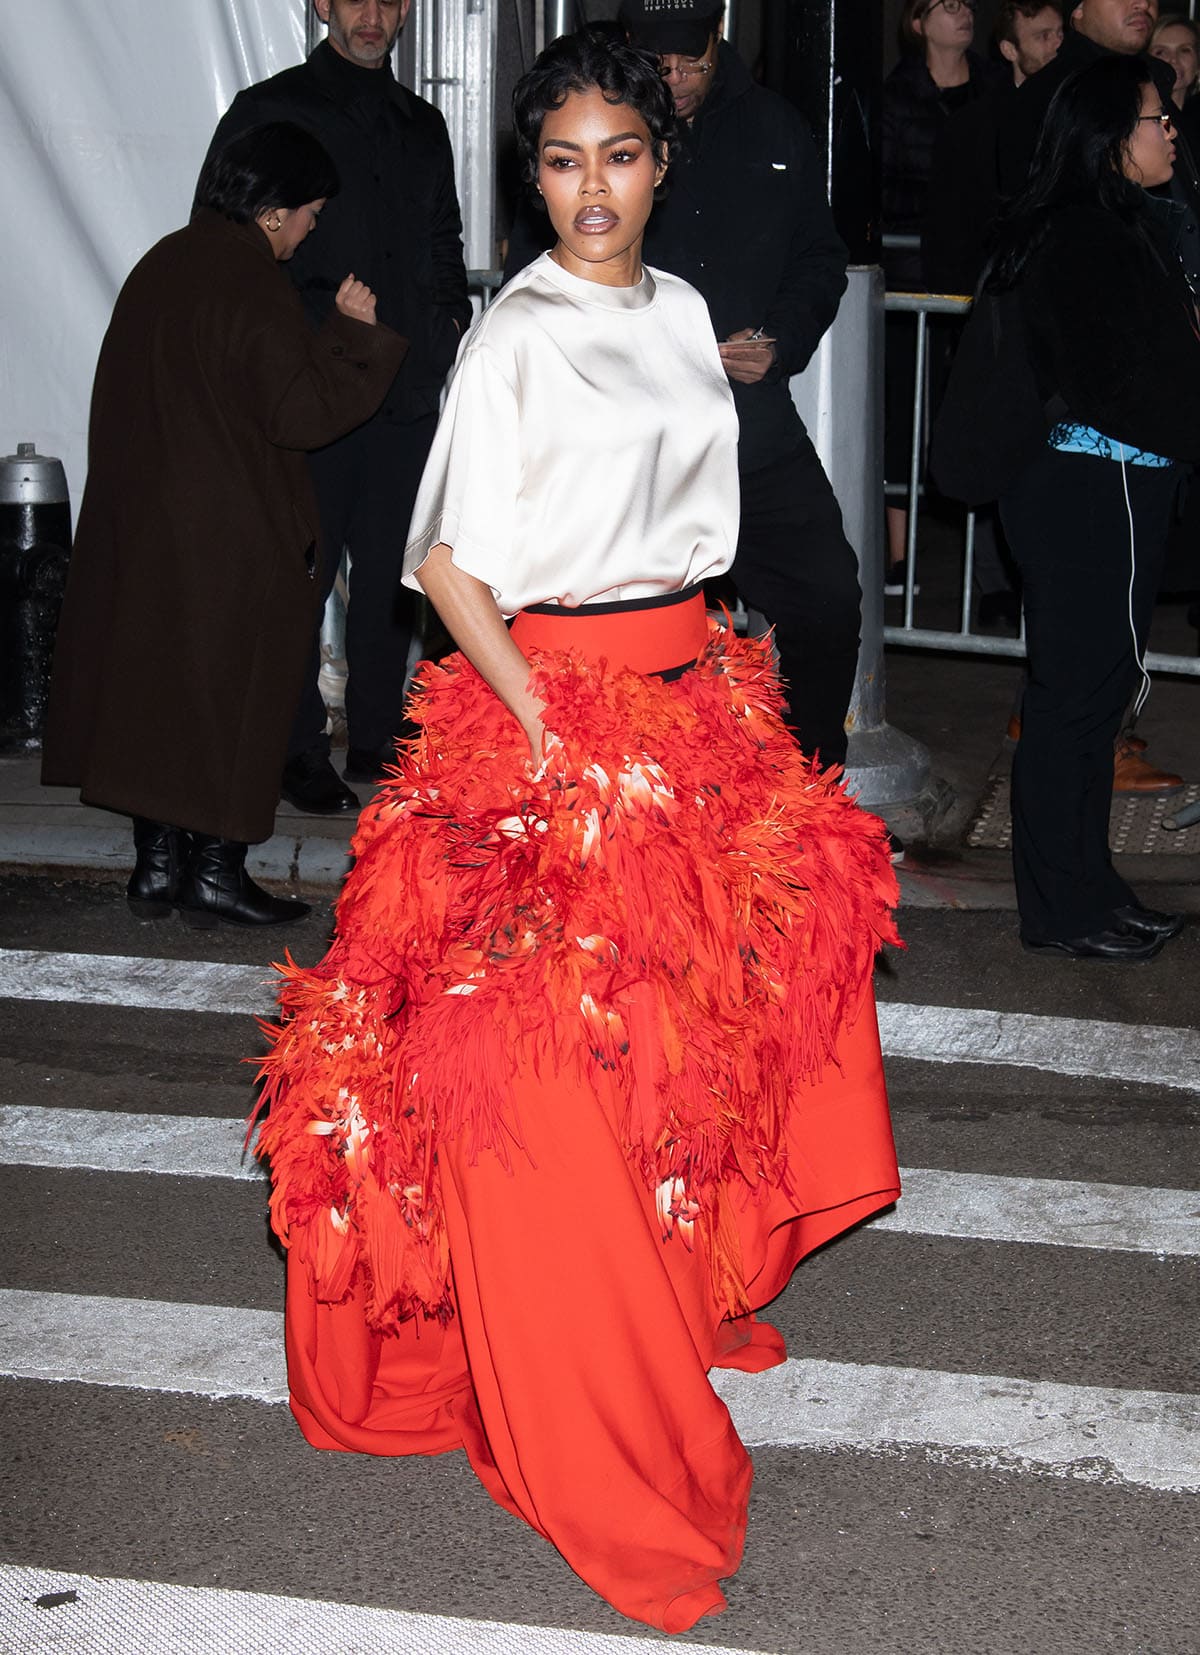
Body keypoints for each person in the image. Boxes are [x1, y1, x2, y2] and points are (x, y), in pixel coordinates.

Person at [254, 28, 899, 1633]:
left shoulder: (683, 312)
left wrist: (711, 694)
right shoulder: (518, 336)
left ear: (659, 164)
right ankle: (577, 1363)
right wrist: (546, 724)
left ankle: (677, 1275)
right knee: (530, 1061)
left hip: (695, 700)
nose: (592, 189)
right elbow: (449, 561)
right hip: (557, 715)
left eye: (619, 154)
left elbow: (698, 522)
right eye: (560, 160)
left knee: (700, 1027)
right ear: (526, 179)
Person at [42, 124, 407, 927]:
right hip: (230, 537)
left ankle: (158, 866)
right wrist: (352, 334)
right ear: (272, 213)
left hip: (147, 529)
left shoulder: (161, 264)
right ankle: (215, 872)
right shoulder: (249, 283)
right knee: (232, 704)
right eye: (308, 212)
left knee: (159, 696)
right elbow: (300, 413)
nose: (311, 228)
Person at [505, 2, 862, 775]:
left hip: (749, 421)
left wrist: (781, 341)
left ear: (718, 42)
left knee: (829, 596)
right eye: (659, 66)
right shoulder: (606, 131)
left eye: (690, 64)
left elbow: (819, 257)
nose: (675, 80)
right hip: (626, 438)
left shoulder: (774, 128)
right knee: (637, 629)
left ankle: (806, 788)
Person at [205, 0, 472, 817]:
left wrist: (445, 325)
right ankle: (292, 750)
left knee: (399, 574)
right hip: (310, 391)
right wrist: (291, 358)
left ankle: (379, 737)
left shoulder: (422, 123)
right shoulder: (270, 110)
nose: (374, 13)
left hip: (405, 391)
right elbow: (224, 249)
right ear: (321, 2)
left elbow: (443, 246)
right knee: (298, 577)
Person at [984, 55, 1199, 957]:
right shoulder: (1076, 234)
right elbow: (1116, 378)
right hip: (1085, 489)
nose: (1172, 132)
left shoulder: (1123, 222)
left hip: (1119, 485)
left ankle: (1093, 886)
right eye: (1159, 119)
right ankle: (1060, 909)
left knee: (1100, 695)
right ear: (1115, 140)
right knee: (1072, 702)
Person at [883, 0, 996, 593]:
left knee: (975, 403)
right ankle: (901, 557)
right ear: (918, 23)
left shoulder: (993, 88)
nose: (962, 11)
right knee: (907, 408)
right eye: (943, 3)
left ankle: (990, 565)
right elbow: (883, 181)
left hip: (977, 274)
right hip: (912, 274)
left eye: (965, 2)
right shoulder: (895, 96)